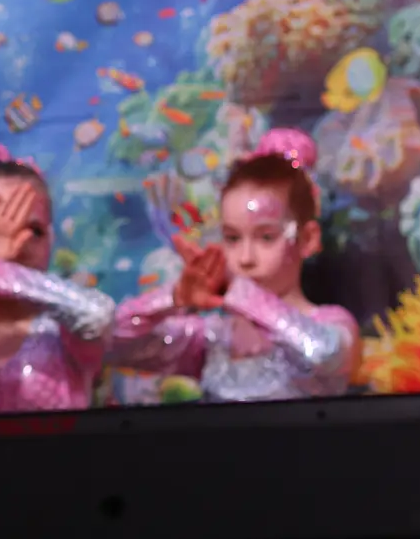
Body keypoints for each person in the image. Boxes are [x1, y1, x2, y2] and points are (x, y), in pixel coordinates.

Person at [109, 129, 360, 401]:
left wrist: (235, 289)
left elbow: (323, 354)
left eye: (266, 237)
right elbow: (111, 341)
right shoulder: (213, 337)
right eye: (232, 238)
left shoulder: (332, 323)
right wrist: (174, 297)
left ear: (307, 238)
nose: (245, 258)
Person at [0, 142, 116, 414]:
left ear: (51, 237)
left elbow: (98, 316)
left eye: (34, 230)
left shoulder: (63, 334)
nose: (19, 242)